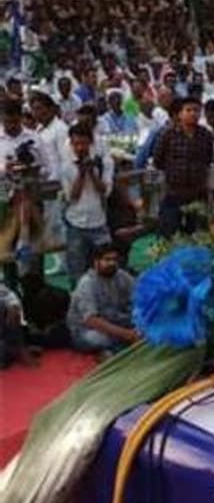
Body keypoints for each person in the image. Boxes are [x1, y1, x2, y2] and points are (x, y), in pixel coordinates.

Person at [151, 97, 214, 236]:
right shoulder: (167, 134)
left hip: (198, 193)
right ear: (180, 114)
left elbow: (209, 160)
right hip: (173, 193)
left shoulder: (205, 135)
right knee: (168, 234)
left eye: (196, 110)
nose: (193, 113)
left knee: (199, 234)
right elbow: (157, 161)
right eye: (188, 110)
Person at [60, 121, 114, 284]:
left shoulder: (103, 163)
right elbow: (72, 197)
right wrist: (81, 174)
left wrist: (92, 172)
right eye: (76, 144)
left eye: (83, 143)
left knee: (106, 268)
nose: (80, 148)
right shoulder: (66, 166)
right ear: (71, 144)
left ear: (91, 143)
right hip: (75, 223)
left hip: (99, 222)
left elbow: (105, 191)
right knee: (77, 273)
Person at [66, 243, 138, 354]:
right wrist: (126, 334)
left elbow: (139, 295)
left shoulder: (122, 276)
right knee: (99, 339)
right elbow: (92, 321)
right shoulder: (87, 283)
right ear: (96, 262)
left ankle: (115, 347)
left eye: (115, 259)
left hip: (115, 321)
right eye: (107, 260)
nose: (112, 263)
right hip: (87, 329)